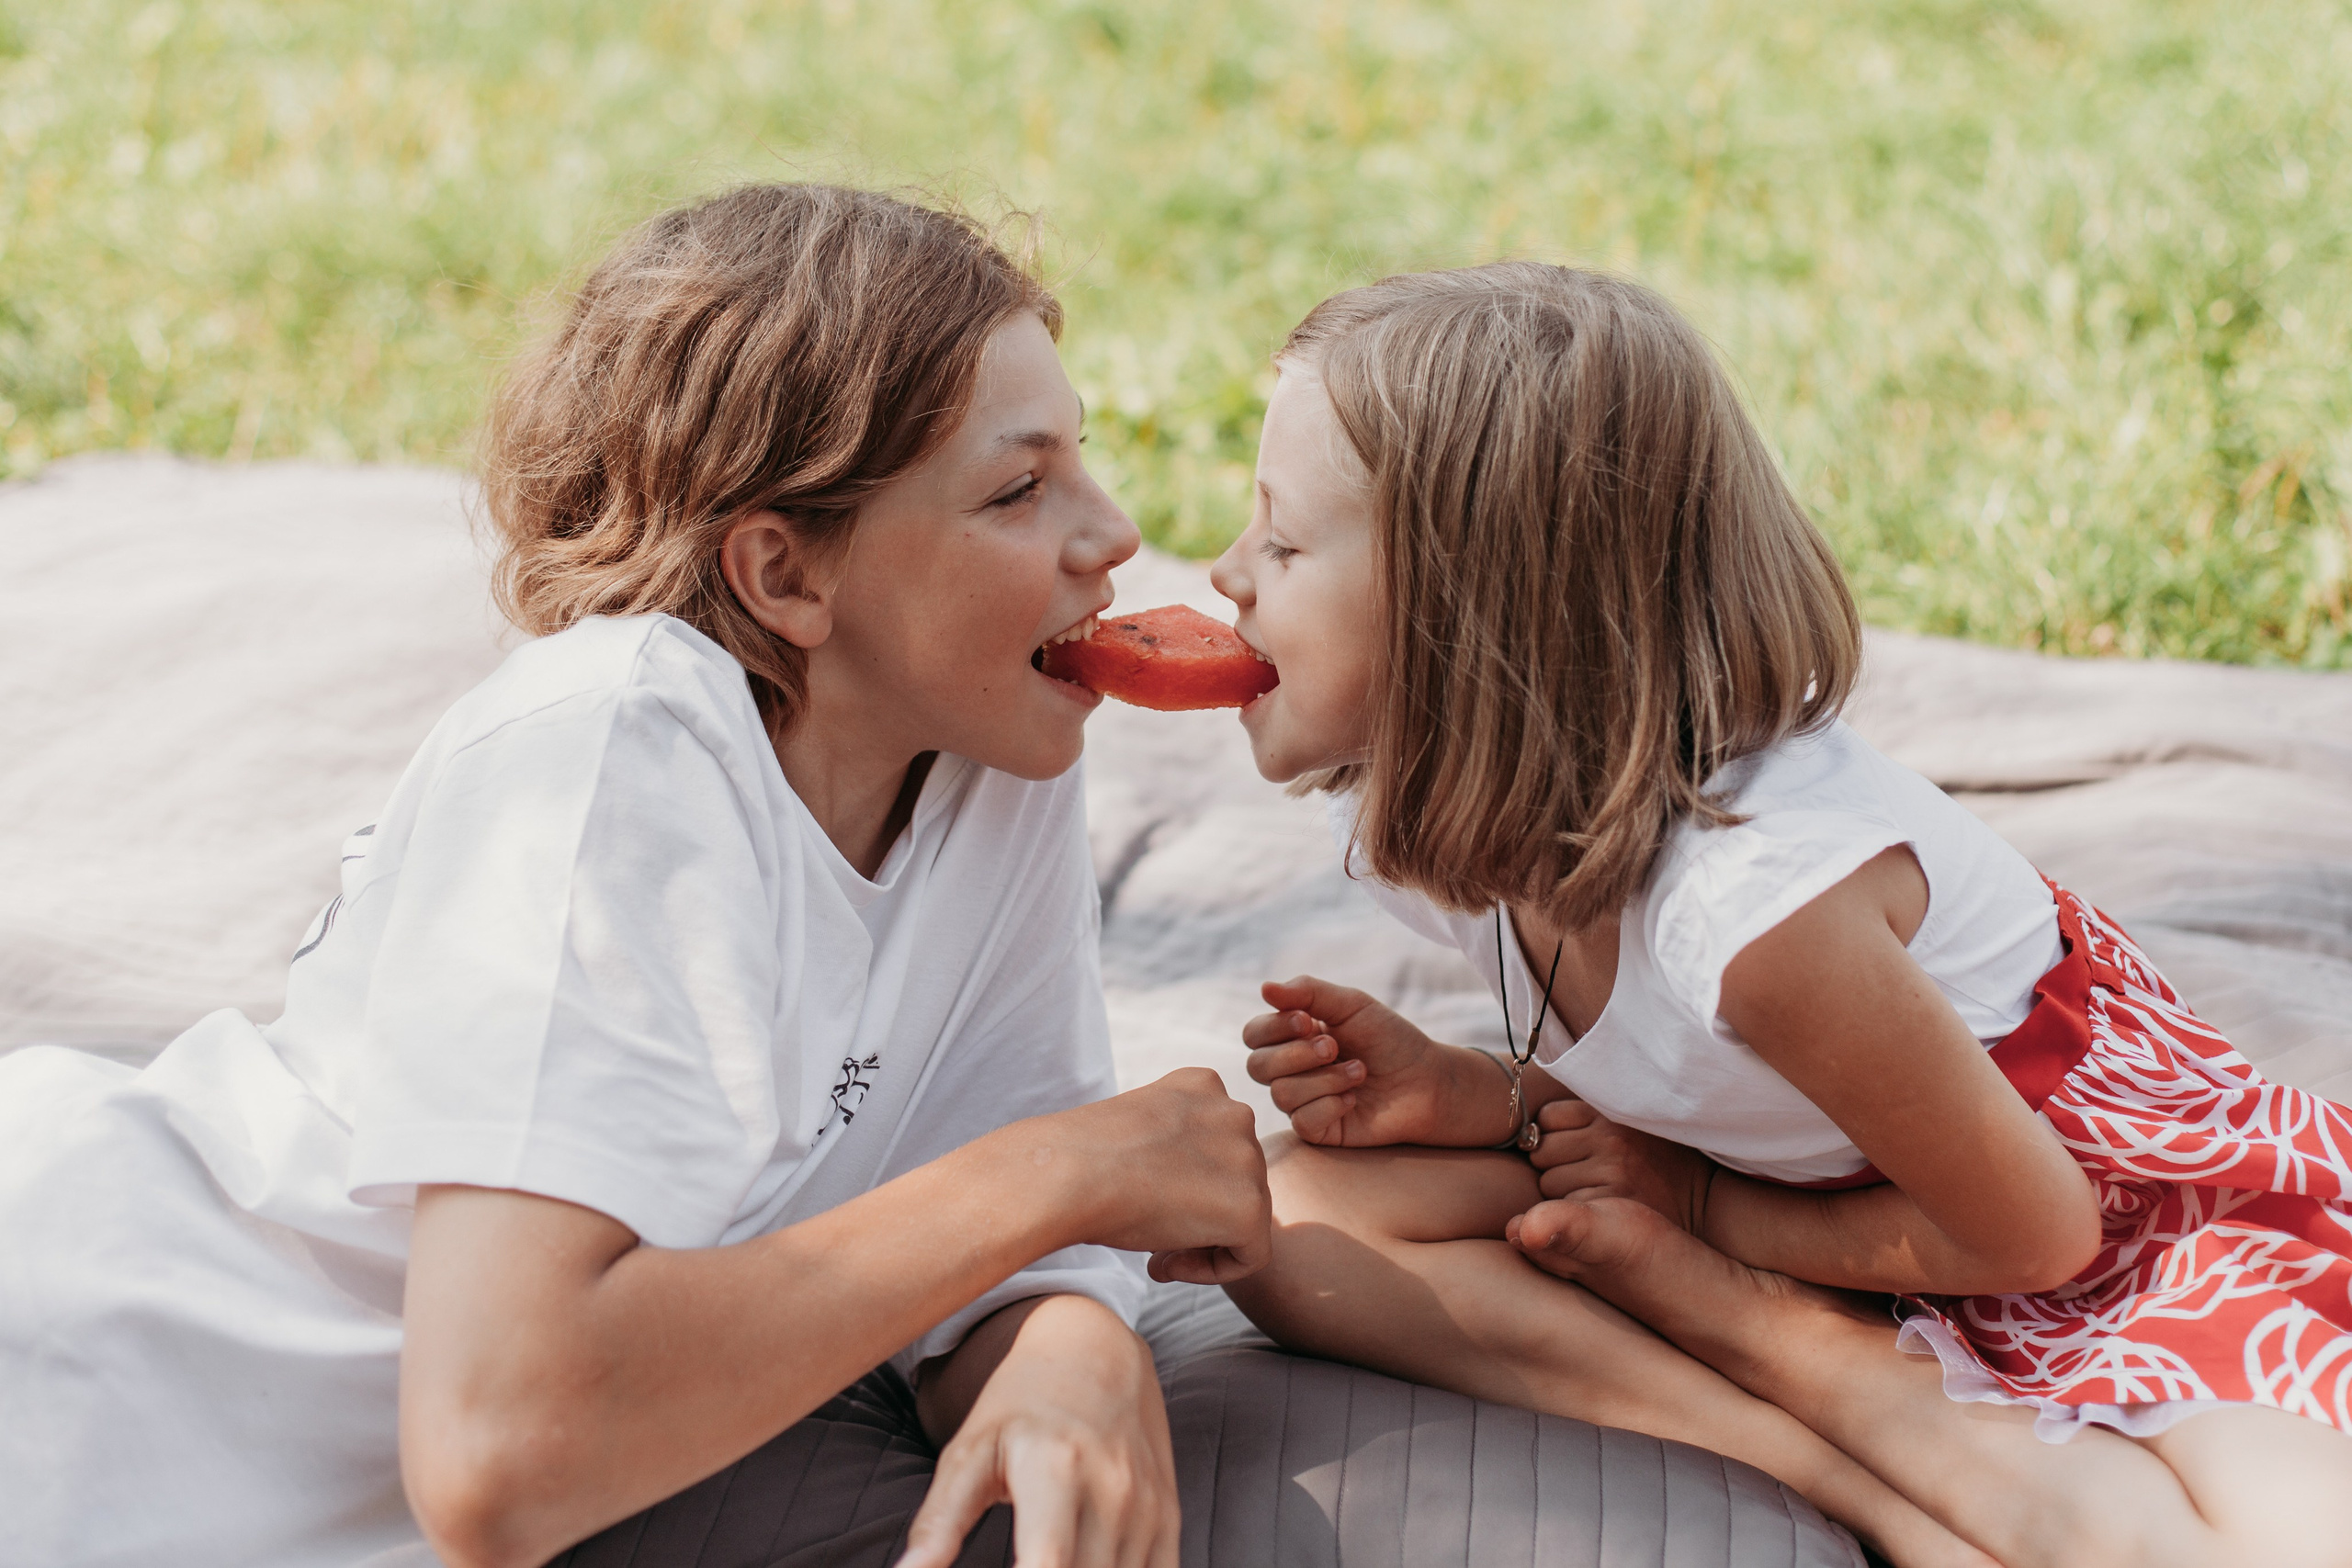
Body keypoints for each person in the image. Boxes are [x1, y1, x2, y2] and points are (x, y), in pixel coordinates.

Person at [0, 184, 1271, 1568]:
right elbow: (501, 1454)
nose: (1116, 532)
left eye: (1080, 460)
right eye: (1019, 489)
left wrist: (1070, 1348)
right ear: (786, 572)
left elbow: (991, 1220)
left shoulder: (983, 754)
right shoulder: (617, 746)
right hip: (71, 1390)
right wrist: (1066, 1175)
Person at [1208, 261, 2352, 1568]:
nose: (1225, 574)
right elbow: (1696, 1089)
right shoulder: (1448, 832)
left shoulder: (1756, 914)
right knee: (1294, 1229)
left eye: (1283, 545)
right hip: (1805, 1198)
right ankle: (1811, 1459)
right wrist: (1485, 1098)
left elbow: (2038, 1233)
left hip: (2088, 1230)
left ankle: (1779, 1343)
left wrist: (1701, 1230)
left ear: (1475, 631)